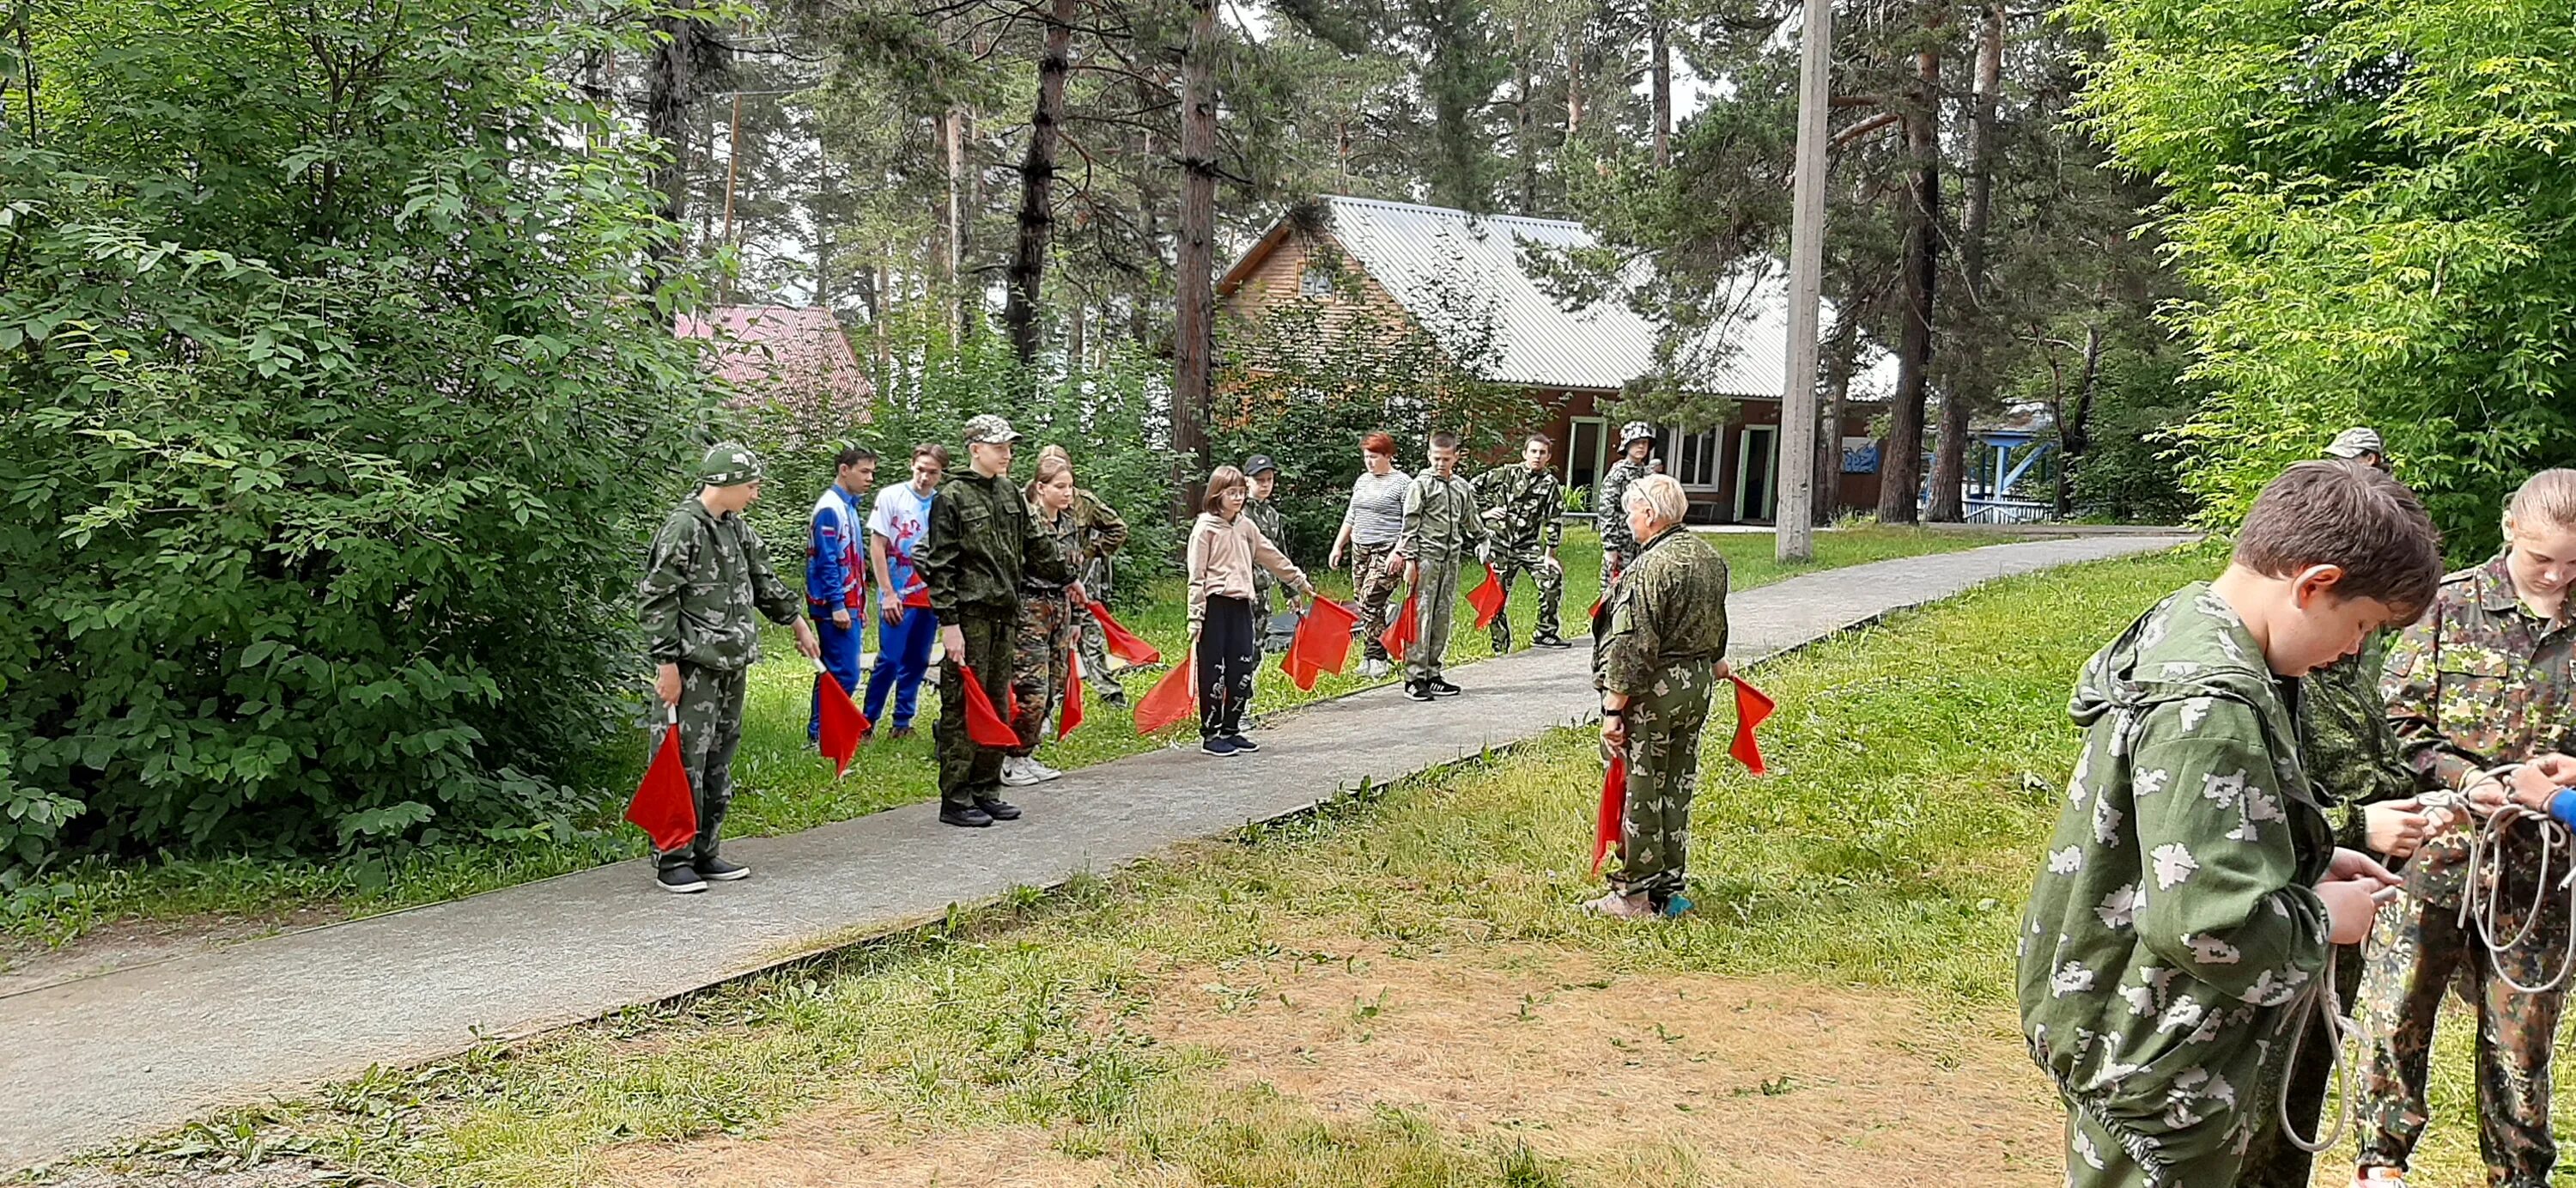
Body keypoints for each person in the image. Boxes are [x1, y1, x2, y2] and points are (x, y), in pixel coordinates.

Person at [2018, 460, 2438, 1188]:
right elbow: (2205, 923)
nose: (2355, 652)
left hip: (2142, 1036)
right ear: (2314, 584)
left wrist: (2309, 859)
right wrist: (2319, 919)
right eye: (2362, 624)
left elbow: (2200, 841)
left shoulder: (2191, 624)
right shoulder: (2212, 705)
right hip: (2162, 1062)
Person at [2355, 468, 2576, 1188]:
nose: (2557, 575)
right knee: (2398, 1012)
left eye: (2574, 562)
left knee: (2523, 1038)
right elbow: (2395, 724)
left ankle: (2519, 1173)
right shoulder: (2448, 605)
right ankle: (2380, 1162)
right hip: (2437, 851)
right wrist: (2468, 778)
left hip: (2542, 869)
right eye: (2545, 558)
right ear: (2511, 527)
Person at [2239, 431, 2440, 1188]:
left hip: (2334, 895)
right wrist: (2359, 826)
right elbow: (2256, 806)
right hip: (2284, 908)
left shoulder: (2345, 649)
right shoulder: (2268, 657)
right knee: (2256, 1097)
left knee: (2302, 1079)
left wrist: (2422, 803)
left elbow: (2375, 755)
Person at [637, 442, 823, 893]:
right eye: (751, 487)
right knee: (683, 759)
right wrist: (666, 664)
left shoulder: (734, 526)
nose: (754, 495)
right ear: (725, 483)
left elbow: (763, 579)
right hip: (692, 665)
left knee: (719, 759)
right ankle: (673, 858)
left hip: (731, 661)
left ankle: (705, 850)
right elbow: (656, 598)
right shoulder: (683, 528)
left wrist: (796, 622)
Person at [920, 416, 1072, 828]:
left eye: (1009, 446)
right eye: (998, 446)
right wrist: (949, 624)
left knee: (999, 702)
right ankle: (956, 797)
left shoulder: (1008, 492)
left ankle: (986, 789)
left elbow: (1034, 544)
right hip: (969, 618)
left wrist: (1069, 577)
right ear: (975, 449)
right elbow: (940, 565)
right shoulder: (951, 497)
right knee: (963, 705)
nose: (1006, 453)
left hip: (1006, 613)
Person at [1589, 473, 1729, 919]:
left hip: (1656, 689)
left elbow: (1632, 645)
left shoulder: (1650, 567)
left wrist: (1614, 708)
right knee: (1677, 785)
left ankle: (1633, 894)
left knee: (1642, 787)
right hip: (1697, 684)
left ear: (1649, 514)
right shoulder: (1709, 557)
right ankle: (1670, 889)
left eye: (1632, 512)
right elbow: (1717, 620)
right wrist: (1716, 659)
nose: (1628, 520)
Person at [1188, 466, 1315, 757]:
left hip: (1242, 604)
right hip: (1214, 605)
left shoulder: (1245, 526)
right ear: (1217, 495)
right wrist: (1195, 616)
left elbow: (1270, 554)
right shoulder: (1205, 528)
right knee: (1214, 670)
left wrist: (1297, 579)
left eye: (1241, 493)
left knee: (1242, 665)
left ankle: (1232, 728)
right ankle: (1212, 733)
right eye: (1231, 493)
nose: (1237, 498)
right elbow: (1196, 576)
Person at [1001, 453, 1088, 789]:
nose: (1068, 493)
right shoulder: (1028, 523)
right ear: (1041, 487)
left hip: (1060, 610)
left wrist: (1077, 618)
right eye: (1060, 487)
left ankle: (1026, 753)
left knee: (1054, 684)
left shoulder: (1068, 524)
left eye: (1071, 487)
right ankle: (1010, 756)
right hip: (1030, 609)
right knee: (1030, 687)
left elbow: (1075, 574)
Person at [1389, 430, 1487, 701]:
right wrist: (1409, 560)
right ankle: (1414, 677)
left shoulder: (1460, 487)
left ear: (1455, 457)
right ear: (1428, 456)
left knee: (1441, 617)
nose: (1440, 463)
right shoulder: (1420, 485)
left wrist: (1482, 539)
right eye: (1436, 458)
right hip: (1425, 559)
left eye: (1446, 458)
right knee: (1421, 617)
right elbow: (1409, 525)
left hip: (1450, 558)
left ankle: (1433, 672)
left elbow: (1470, 517)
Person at [1036, 444, 1133, 706]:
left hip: (1079, 585)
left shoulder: (1084, 502)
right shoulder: (1030, 501)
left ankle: (1110, 694)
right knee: (1042, 647)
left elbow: (1117, 528)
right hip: (1041, 588)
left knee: (1091, 639)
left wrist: (1090, 551)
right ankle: (1047, 701)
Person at [863, 443, 946, 740]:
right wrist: (887, 592)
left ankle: (902, 721)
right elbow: (878, 545)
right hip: (897, 592)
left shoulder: (943, 504)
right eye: (921, 469)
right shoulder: (891, 496)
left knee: (918, 659)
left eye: (932, 472)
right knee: (889, 659)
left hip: (929, 594)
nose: (925, 477)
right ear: (912, 465)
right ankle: (867, 721)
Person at [1473, 433, 1570, 653]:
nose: (1537, 456)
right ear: (1525, 454)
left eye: (1542, 453)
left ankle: (1545, 633)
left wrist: (1550, 554)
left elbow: (1553, 519)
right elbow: (1473, 487)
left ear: (1548, 457)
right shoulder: (1507, 473)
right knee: (1495, 596)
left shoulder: (1549, 484)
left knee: (1551, 577)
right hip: (1499, 544)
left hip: (1527, 546)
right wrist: (1484, 514)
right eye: (1533, 451)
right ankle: (1500, 645)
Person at [805, 445, 877, 742]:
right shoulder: (829, 508)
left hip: (849, 604)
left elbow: (854, 561)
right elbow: (827, 560)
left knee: (841, 670)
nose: (870, 478)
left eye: (872, 472)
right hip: (833, 605)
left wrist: (860, 606)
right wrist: (838, 604)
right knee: (843, 672)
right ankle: (820, 732)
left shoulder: (849, 505)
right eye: (864, 471)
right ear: (844, 470)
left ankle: (828, 728)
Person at [1327, 432, 1411, 680]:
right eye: (1366, 457)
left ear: (1388, 456)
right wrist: (1338, 545)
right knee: (1364, 604)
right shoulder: (1363, 481)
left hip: (1386, 550)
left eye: (1374, 457)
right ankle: (1370, 656)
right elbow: (1352, 515)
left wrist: (1400, 552)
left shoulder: (1403, 483)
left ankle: (1380, 658)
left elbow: (1410, 522)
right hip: (1360, 549)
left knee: (1370, 600)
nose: (1369, 462)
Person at [1242, 455, 1297, 655]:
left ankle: (1248, 686)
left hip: (1263, 591)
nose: (1265, 485)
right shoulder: (1237, 512)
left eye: (1269, 479)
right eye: (1259, 480)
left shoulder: (1272, 515)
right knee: (1239, 649)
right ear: (1247, 480)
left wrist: (1291, 591)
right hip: (1239, 591)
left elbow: (1279, 554)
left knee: (1258, 649)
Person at [1596, 423, 1656, 579]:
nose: (1641, 447)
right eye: (1636, 442)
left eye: (1645, 442)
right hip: (1622, 544)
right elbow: (1606, 510)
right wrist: (1610, 547)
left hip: (1644, 544)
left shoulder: (1648, 475)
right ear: (1627, 445)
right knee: (1615, 592)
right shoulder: (1618, 474)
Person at [2325, 426, 2391, 472]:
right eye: (2338, 459)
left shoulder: (2385, 489)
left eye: (2348, 460)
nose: (2340, 465)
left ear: (2370, 459)